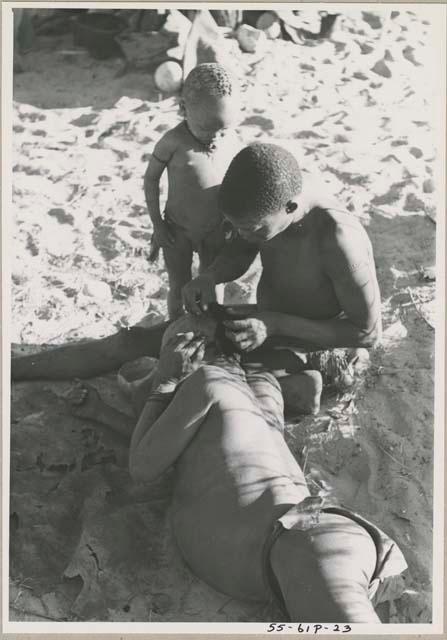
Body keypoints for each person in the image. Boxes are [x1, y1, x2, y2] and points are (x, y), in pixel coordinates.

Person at [67, 317, 407, 622]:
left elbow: (143, 465)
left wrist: (164, 384)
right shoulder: (264, 388)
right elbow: (187, 446)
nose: (163, 360)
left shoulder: (206, 382)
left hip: (295, 547)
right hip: (326, 532)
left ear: (195, 353)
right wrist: (101, 414)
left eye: (170, 348)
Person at [182, 142, 382, 413]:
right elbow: (241, 251)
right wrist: (209, 276)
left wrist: (275, 325)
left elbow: (368, 333)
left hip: (321, 343)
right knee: (181, 339)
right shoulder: (269, 201)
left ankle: (299, 388)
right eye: (236, 227)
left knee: (208, 382)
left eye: (251, 229)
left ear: (290, 207)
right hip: (270, 322)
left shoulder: (337, 238)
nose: (242, 236)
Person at [144, 62, 242, 318]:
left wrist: (234, 222)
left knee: (211, 285)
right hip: (177, 230)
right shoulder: (173, 142)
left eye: (223, 129)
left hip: (216, 230)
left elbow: (237, 181)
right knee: (178, 285)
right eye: (208, 129)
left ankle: (210, 330)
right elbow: (151, 180)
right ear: (183, 109)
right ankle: (174, 327)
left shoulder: (231, 140)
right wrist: (157, 224)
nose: (216, 137)